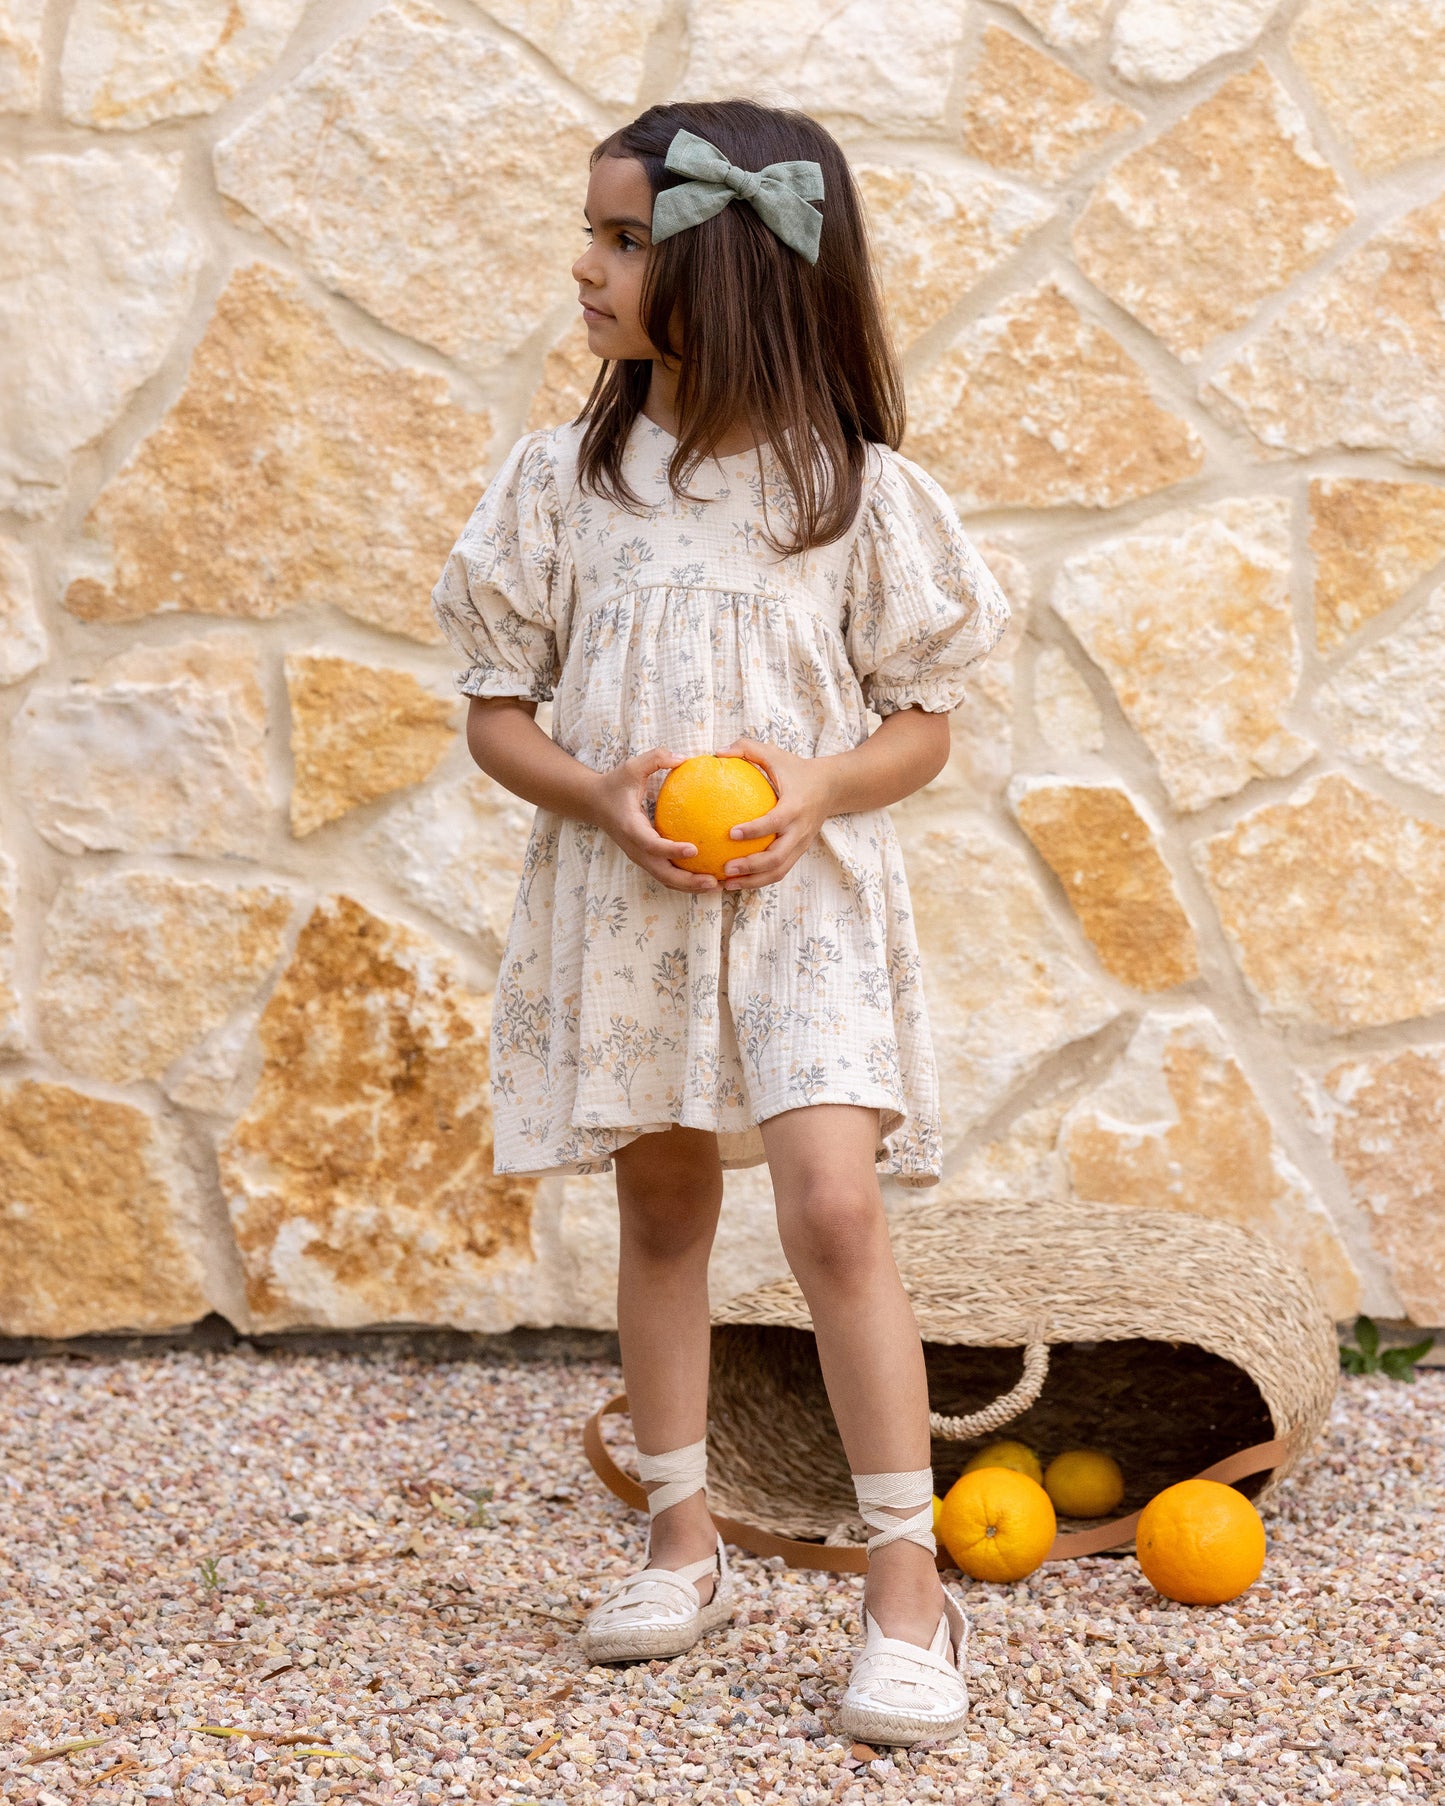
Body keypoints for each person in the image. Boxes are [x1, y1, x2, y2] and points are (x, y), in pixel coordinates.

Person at [432, 99, 1009, 1747]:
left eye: (624, 240)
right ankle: (680, 1536)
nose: (586, 266)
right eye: (593, 233)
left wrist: (822, 783)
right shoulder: (564, 485)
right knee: (666, 1203)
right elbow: (495, 714)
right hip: (634, 902)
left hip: (801, 902)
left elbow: (922, 722)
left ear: (732, 271)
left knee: (834, 1206)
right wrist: (596, 793)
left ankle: (906, 1580)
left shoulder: (850, 492)